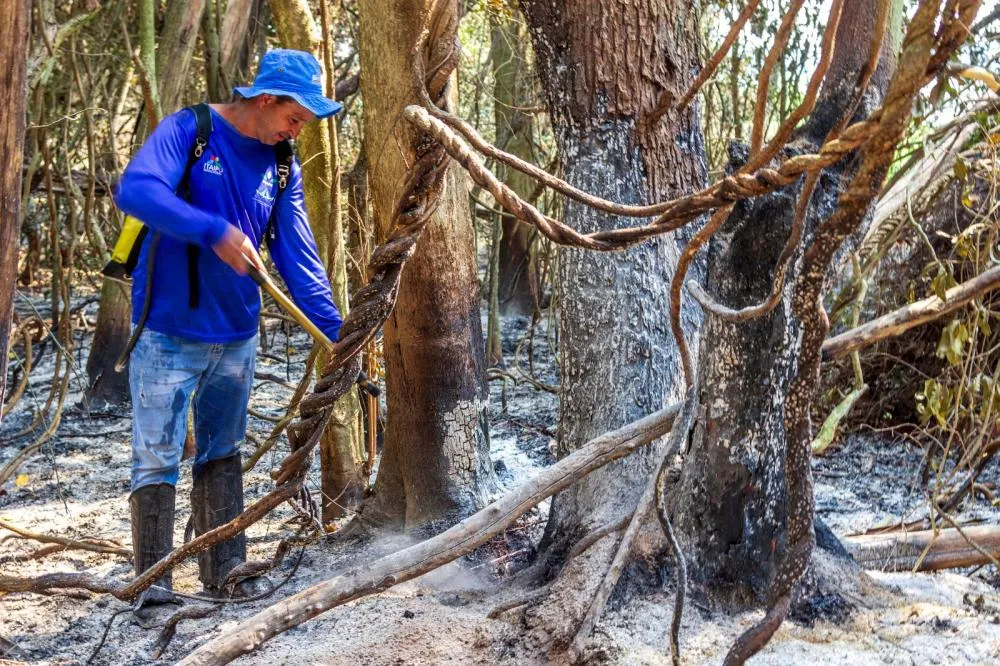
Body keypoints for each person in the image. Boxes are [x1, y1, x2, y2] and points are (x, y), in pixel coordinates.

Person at [115, 49, 343, 613]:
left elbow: (300, 259)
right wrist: (213, 230)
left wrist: (341, 335)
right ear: (266, 100)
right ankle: (153, 591)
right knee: (156, 459)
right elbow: (137, 191)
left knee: (223, 452)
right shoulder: (189, 131)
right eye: (294, 118)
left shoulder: (282, 163)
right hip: (166, 332)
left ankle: (225, 574)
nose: (296, 131)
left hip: (238, 336)